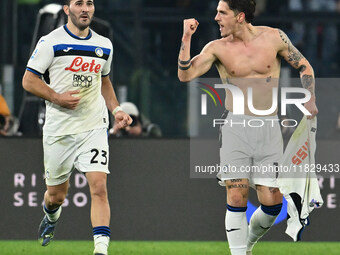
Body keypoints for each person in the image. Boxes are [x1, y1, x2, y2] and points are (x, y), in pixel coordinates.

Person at [177, 1, 317, 254]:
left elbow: (304, 65)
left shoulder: (274, 37)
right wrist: (186, 38)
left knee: (273, 202)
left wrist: (310, 97)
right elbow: (185, 75)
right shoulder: (216, 47)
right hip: (236, 128)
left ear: (239, 16)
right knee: (236, 195)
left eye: (222, 12)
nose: (216, 17)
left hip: (269, 128)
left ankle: (248, 242)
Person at [22, 1, 132, 254]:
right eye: (79, 3)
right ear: (66, 9)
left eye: (90, 3)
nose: (85, 8)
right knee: (56, 196)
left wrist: (116, 110)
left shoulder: (104, 44)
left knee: (99, 187)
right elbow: (29, 80)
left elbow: (104, 82)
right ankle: (51, 216)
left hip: (93, 126)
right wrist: (57, 97)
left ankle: (101, 250)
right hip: (59, 129)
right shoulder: (50, 41)